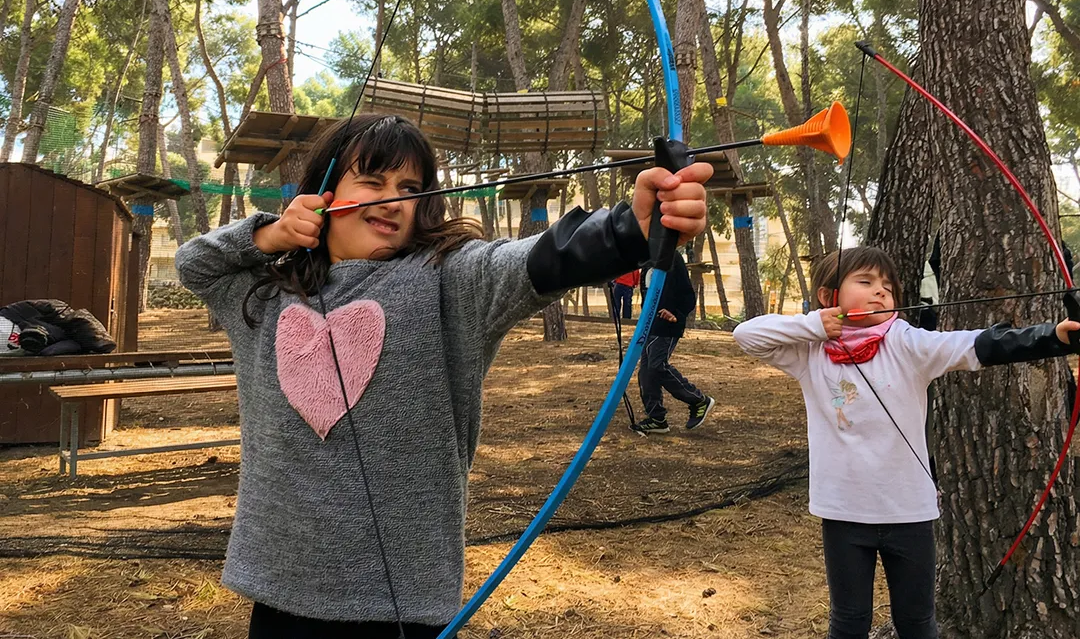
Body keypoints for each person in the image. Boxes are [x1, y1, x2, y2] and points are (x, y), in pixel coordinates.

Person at [175, 114, 712, 638]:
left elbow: (534, 261)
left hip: (403, 600)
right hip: (281, 584)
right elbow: (194, 262)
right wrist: (269, 235)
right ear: (323, 193)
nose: (393, 199)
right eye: (372, 180)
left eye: (410, 187)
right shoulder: (264, 295)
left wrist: (630, 229)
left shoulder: (447, 278)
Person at [733, 246, 1080, 639]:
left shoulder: (907, 343)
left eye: (888, 287)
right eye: (865, 282)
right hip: (844, 511)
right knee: (848, 622)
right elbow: (746, 335)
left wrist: (1052, 336)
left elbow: (975, 345)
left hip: (908, 512)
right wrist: (816, 324)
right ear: (830, 297)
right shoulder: (809, 351)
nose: (881, 292)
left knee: (917, 622)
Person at [630, 252, 715, 435]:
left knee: (656, 366)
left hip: (669, 324)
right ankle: (657, 419)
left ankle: (699, 400)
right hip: (650, 325)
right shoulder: (647, 262)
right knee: (646, 372)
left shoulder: (672, 258)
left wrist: (675, 312)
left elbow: (687, 296)